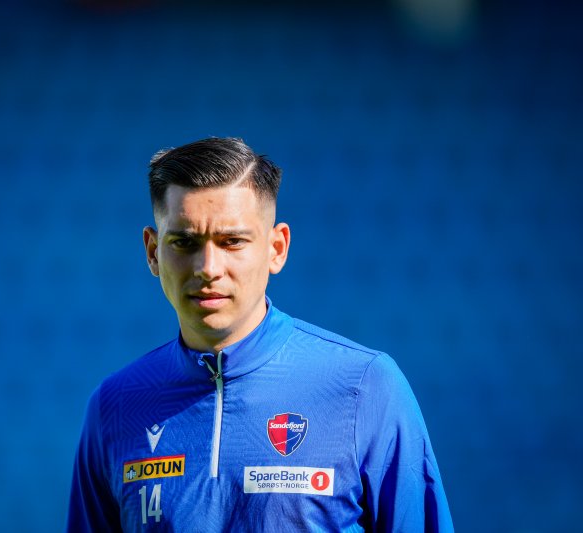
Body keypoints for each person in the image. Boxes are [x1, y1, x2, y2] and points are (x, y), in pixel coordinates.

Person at [66, 137, 453, 531]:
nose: (208, 268)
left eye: (232, 241)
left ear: (276, 248)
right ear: (152, 251)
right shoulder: (113, 407)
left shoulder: (365, 387)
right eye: (184, 242)